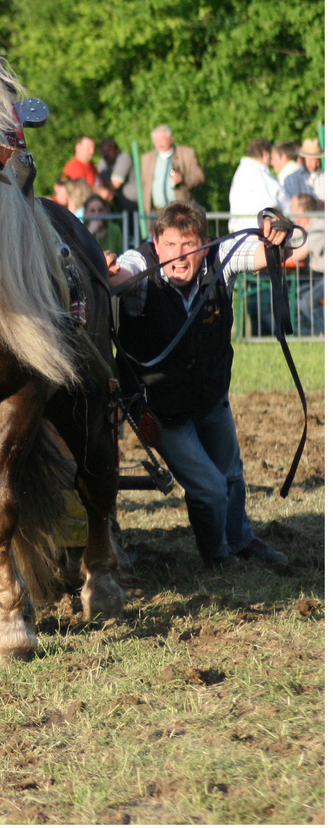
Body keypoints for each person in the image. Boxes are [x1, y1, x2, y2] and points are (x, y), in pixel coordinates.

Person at [108, 200, 288, 570]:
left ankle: (239, 540)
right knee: (209, 487)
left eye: (188, 245)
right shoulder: (141, 263)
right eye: (170, 244)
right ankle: (217, 557)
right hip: (160, 408)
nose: (179, 255)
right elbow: (121, 275)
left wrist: (278, 237)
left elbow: (262, 256)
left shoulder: (221, 258)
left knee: (232, 476)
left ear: (203, 243)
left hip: (210, 398)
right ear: (156, 243)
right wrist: (106, 271)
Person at [228, 138, 290, 233]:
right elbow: (270, 207)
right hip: (258, 234)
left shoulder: (246, 171)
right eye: (271, 157)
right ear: (265, 154)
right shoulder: (256, 174)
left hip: (248, 232)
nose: (272, 162)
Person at [140, 125, 204, 214]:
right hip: (155, 213)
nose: (159, 144)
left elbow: (199, 177)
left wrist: (183, 179)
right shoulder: (146, 159)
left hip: (180, 212)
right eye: (156, 141)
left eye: (162, 140)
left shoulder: (187, 154)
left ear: (171, 139)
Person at [290, 193, 324, 335]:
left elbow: (299, 254)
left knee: (307, 302)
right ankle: (307, 336)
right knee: (295, 299)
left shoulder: (321, 224)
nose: (289, 211)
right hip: (316, 275)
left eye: (292, 207)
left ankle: (324, 336)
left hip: (324, 275)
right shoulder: (300, 227)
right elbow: (291, 249)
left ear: (301, 210)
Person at [97, 137, 138, 213]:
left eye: (108, 150)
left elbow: (115, 184)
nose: (106, 154)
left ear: (116, 150)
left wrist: (104, 188)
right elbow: (98, 183)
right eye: (103, 151)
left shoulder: (124, 157)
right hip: (116, 206)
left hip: (132, 204)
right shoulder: (103, 162)